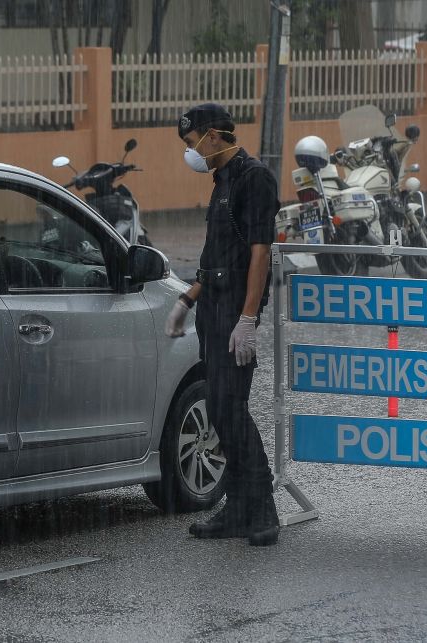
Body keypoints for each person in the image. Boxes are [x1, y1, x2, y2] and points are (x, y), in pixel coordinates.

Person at [164, 103, 280, 547]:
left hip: (235, 308)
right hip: (212, 304)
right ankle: (238, 507)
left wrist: (247, 319)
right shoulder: (222, 179)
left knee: (231, 408)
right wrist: (187, 299)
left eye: (191, 142)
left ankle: (261, 508)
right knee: (218, 409)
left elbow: (259, 254)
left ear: (214, 136)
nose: (190, 152)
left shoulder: (254, 178)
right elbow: (216, 255)